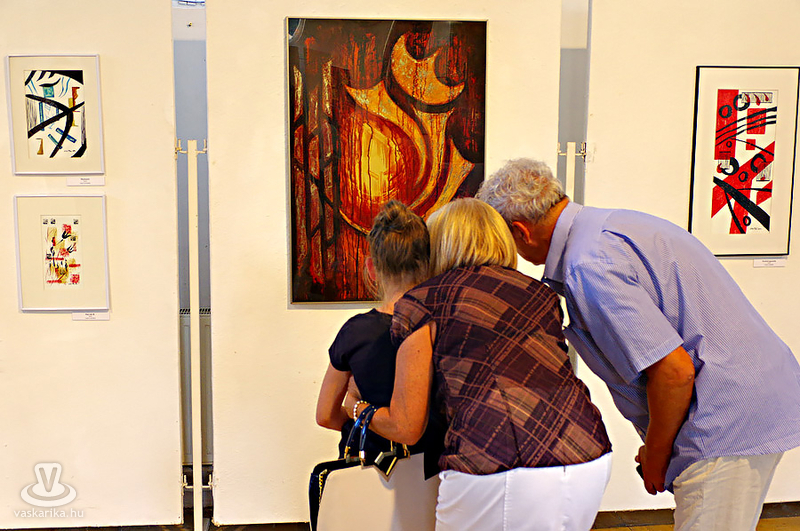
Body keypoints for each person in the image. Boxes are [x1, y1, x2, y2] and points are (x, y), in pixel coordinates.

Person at [476, 157, 800, 531]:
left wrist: (657, 455)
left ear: (521, 232)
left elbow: (674, 372)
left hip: (726, 414)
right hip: (750, 396)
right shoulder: (612, 225)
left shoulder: (588, 264)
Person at [347, 198, 613, 531]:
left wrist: (355, 407)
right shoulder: (539, 293)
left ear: (438, 243)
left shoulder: (424, 301)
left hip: (496, 461)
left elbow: (406, 426)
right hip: (587, 453)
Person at [316, 200, 441, 474]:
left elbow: (325, 415)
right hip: (432, 471)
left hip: (370, 469)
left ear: (372, 269)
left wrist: (358, 409)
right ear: (428, 266)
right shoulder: (439, 326)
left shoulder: (356, 332)